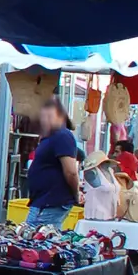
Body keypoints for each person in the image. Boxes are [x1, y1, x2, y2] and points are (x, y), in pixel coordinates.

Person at [23, 98, 80, 228]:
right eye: (43, 116)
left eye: (49, 116)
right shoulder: (51, 137)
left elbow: (71, 171)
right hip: (42, 202)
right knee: (33, 239)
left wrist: (76, 193)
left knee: (37, 240)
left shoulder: (63, 136)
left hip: (51, 203)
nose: (44, 120)